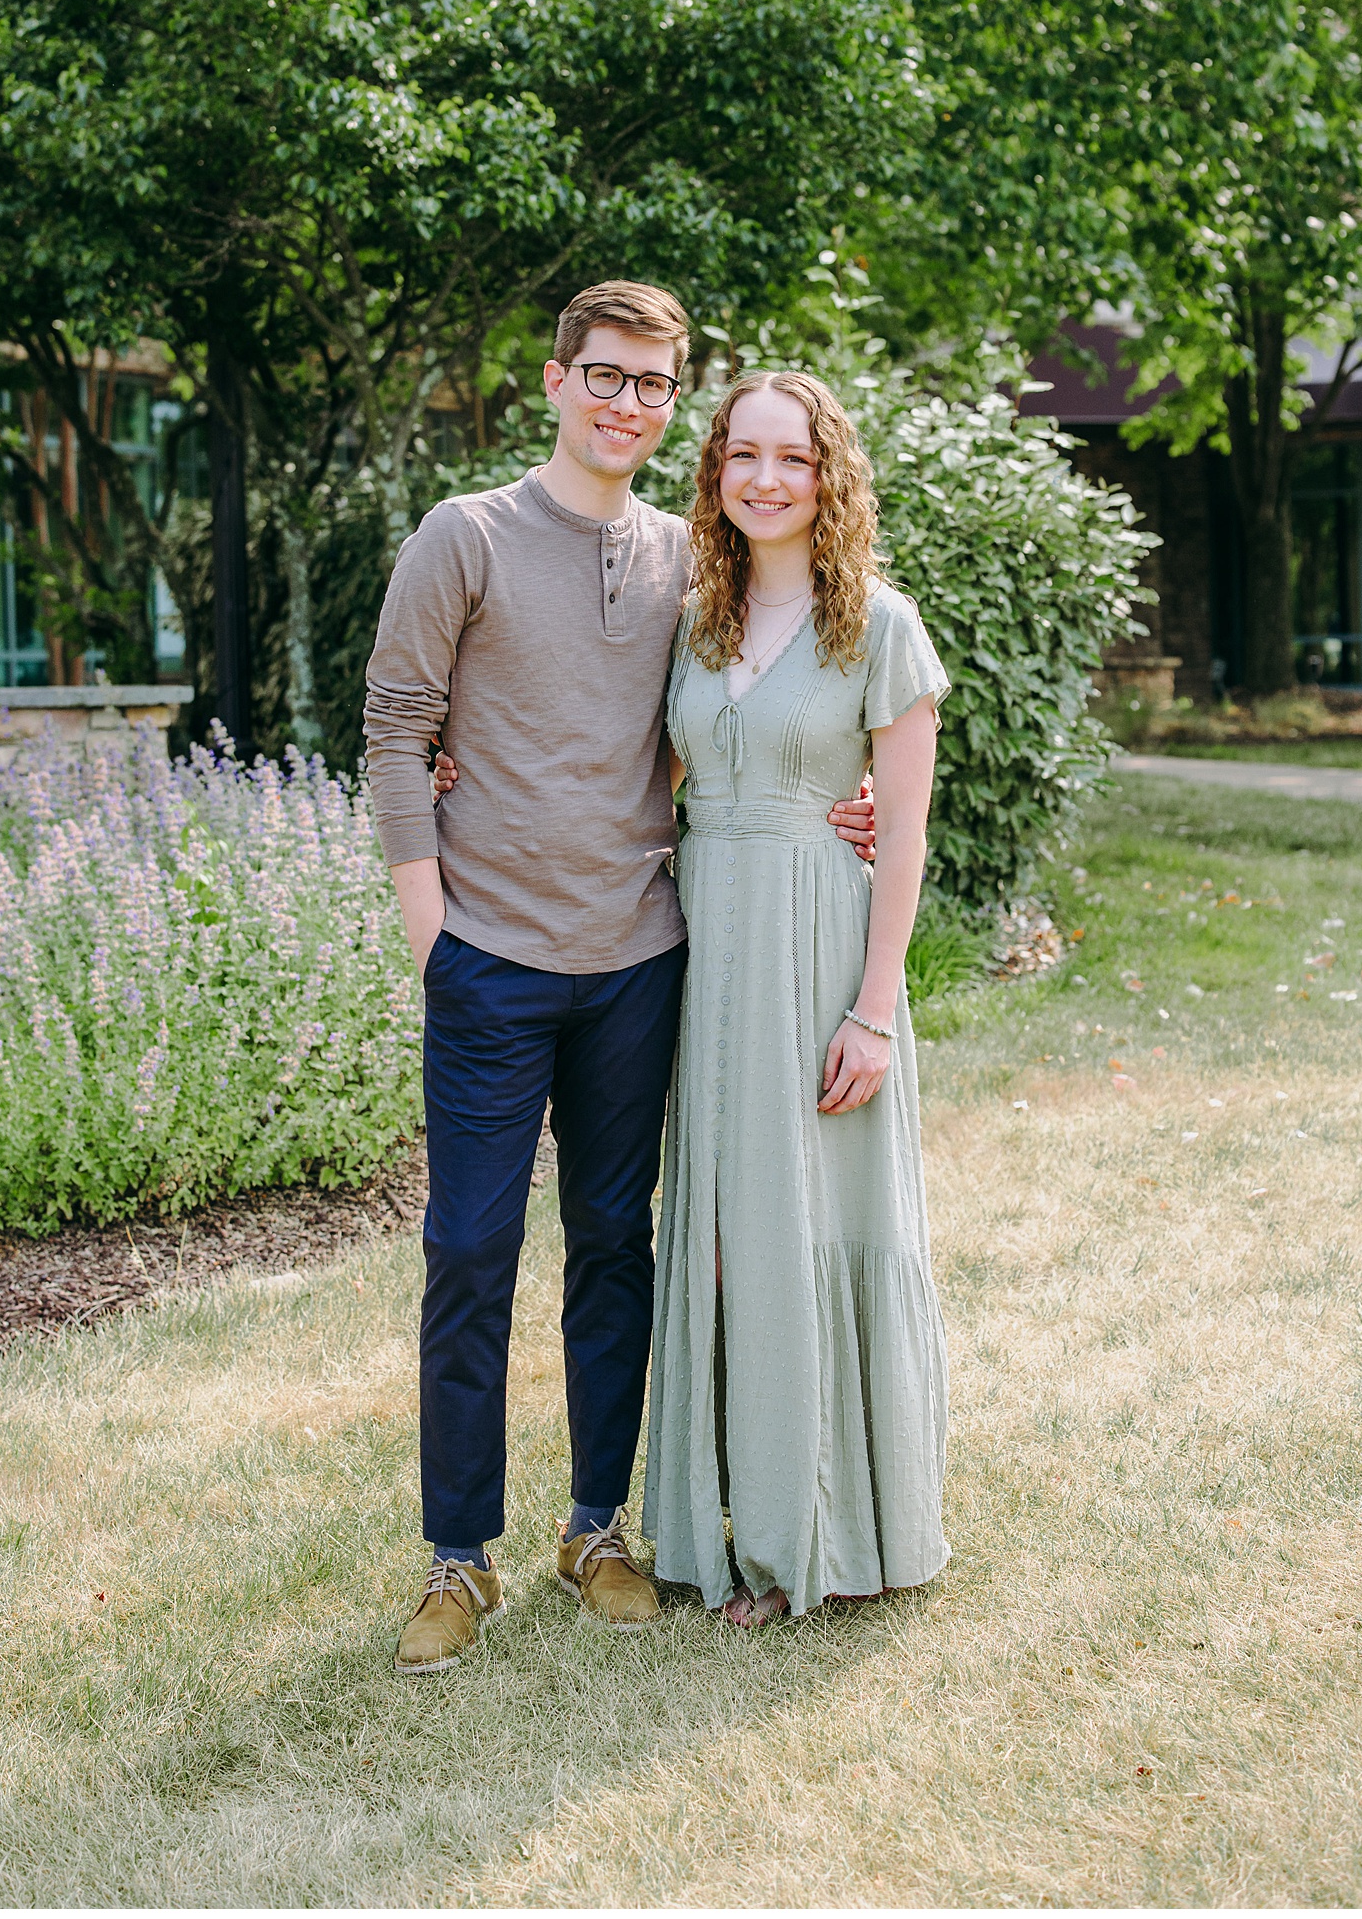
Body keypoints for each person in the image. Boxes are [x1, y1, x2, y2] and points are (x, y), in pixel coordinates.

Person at [362, 285, 877, 1676]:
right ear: (553, 380)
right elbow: (399, 730)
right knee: (469, 1252)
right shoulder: (460, 536)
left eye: (653, 387)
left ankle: (595, 1528)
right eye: (606, 376)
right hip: (489, 961)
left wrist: (857, 792)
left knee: (613, 1244)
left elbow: (767, 695)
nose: (626, 404)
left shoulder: (687, 560)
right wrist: (436, 941)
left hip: (641, 961)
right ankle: (455, 1557)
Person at [643, 368, 951, 1625]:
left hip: (818, 952)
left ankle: (812, 1535)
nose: (766, 478)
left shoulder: (877, 626)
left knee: (805, 1227)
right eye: (742, 455)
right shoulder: (695, 623)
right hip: (704, 949)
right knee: (719, 1235)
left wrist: (872, 1009)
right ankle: (725, 1510)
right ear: (714, 473)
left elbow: (908, 836)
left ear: (830, 478)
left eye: (794, 458)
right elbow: (639, 772)